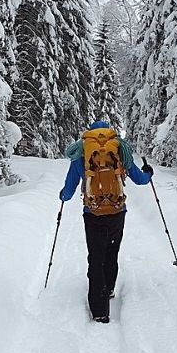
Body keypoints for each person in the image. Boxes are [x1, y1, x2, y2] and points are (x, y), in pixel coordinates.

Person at [59, 120, 154, 323]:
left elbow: (69, 189)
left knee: (96, 256)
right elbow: (140, 179)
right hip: (117, 211)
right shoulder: (120, 150)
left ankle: (99, 309)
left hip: (92, 213)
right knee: (111, 252)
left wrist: (63, 196)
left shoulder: (81, 152)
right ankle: (109, 288)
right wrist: (149, 173)